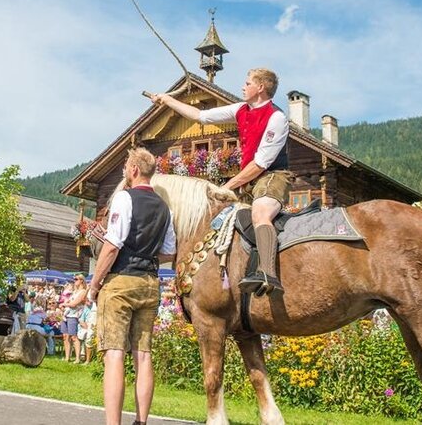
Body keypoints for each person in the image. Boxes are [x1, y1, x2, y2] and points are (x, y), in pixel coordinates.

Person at [150, 68, 290, 296]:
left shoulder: (277, 117)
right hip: (249, 179)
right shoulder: (240, 109)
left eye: (247, 83)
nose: (243, 87)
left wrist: (226, 187)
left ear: (260, 88)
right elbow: (200, 116)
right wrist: (168, 100)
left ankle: (267, 273)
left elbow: (261, 164)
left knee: (261, 212)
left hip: (272, 176)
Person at [88, 147, 177, 425]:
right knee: (143, 354)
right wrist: (144, 252)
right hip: (150, 283)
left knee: (114, 354)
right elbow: (169, 251)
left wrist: (94, 285)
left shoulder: (124, 198)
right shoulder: (165, 207)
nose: (124, 170)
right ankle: (141, 421)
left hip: (121, 282)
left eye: (126, 166)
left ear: (135, 169)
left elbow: (113, 246)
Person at [61, 274, 88, 362]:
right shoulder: (74, 292)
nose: (74, 281)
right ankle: (67, 357)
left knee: (74, 337)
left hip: (74, 316)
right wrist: (64, 304)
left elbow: (74, 304)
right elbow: (68, 302)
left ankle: (77, 358)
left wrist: (64, 304)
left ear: (81, 281)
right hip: (66, 314)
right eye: (74, 279)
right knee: (65, 336)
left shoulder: (83, 292)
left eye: (76, 279)